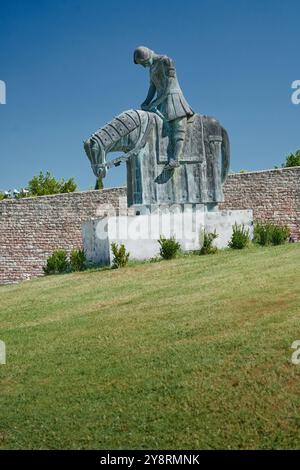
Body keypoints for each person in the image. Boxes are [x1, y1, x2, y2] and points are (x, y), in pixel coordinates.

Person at [134, 46, 194, 169]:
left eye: (143, 63)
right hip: (160, 101)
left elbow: (169, 87)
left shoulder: (166, 61)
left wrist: (154, 103)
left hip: (173, 98)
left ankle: (175, 159)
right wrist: (146, 102)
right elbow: (153, 87)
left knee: (178, 126)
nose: (144, 66)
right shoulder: (151, 69)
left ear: (147, 56)